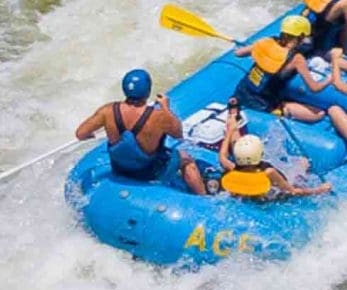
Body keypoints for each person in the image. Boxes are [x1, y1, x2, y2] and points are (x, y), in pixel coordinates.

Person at [75, 69, 206, 193]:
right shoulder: (158, 116)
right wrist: (166, 107)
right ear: (148, 91)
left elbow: (81, 134)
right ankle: (203, 198)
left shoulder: (107, 111)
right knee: (186, 159)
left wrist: (93, 135)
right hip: (148, 172)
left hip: (120, 168)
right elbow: (178, 134)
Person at [215, 104, 330, 200]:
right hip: (272, 195)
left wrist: (230, 131)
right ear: (260, 154)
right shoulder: (269, 172)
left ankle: (233, 119)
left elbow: (222, 157)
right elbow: (292, 191)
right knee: (303, 162)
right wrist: (318, 190)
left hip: (251, 192)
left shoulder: (232, 167)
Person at [231, 14, 326, 122]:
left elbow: (239, 53)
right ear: (301, 36)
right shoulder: (297, 59)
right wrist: (331, 78)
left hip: (240, 94)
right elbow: (314, 88)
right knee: (319, 114)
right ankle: (281, 111)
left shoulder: (267, 41)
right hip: (263, 104)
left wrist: (256, 46)